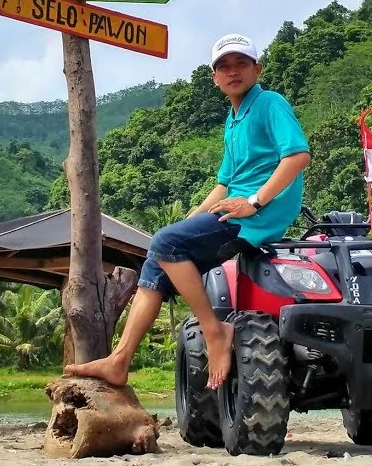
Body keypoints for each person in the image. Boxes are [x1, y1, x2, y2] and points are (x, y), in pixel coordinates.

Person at [64, 33, 311, 390]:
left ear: (257, 68)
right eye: (224, 66)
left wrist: (255, 201)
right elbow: (225, 184)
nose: (233, 72)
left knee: (167, 243)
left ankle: (215, 331)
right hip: (235, 209)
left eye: (242, 63)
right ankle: (119, 361)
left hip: (256, 215)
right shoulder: (233, 119)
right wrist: (194, 215)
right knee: (157, 259)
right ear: (214, 77)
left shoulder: (270, 103)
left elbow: (298, 156)